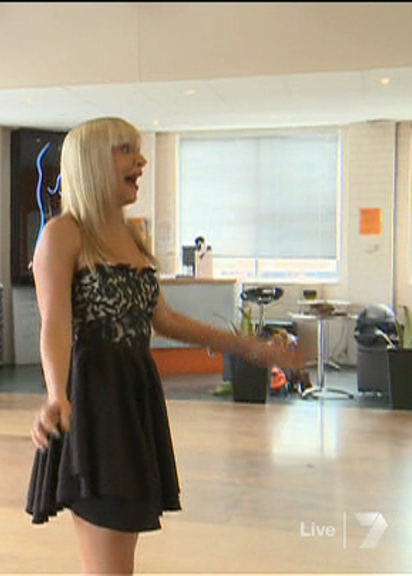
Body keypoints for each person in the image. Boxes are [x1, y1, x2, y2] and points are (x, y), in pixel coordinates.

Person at [25, 117, 305, 575]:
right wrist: (56, 394)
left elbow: (165, 319)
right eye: (125, 150)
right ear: (92, 162)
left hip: (134, 398)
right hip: (94, 403)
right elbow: (54, 323)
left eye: (137, 150)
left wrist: (248, 347)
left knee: (120, 559)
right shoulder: (63, 234)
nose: (141, 161)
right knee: (108, 564)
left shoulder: (131, 236)